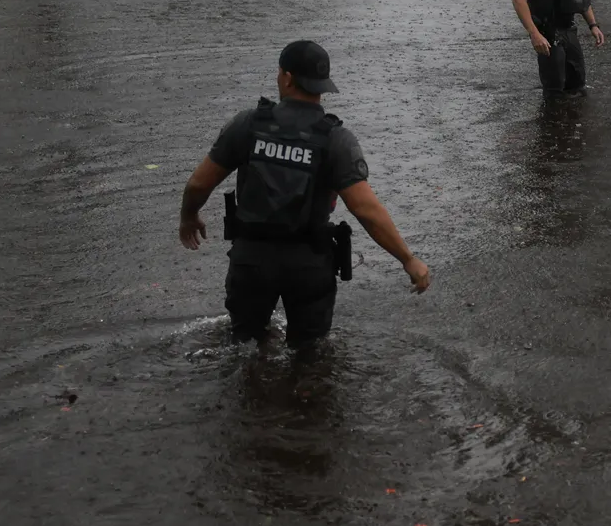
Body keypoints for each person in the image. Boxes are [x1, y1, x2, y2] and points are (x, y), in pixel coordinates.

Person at [178, 41, 430, 348]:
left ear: (286, 77)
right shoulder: (335, 139)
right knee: (311, 355)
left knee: (244, 347)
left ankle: (252, 387)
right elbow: (366, 210)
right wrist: (408, 259)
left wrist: (189, 216)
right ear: (322, 83)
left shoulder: (248, 124)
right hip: (309, 263)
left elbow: (198, 184)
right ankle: (305, 390)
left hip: (251, 261)